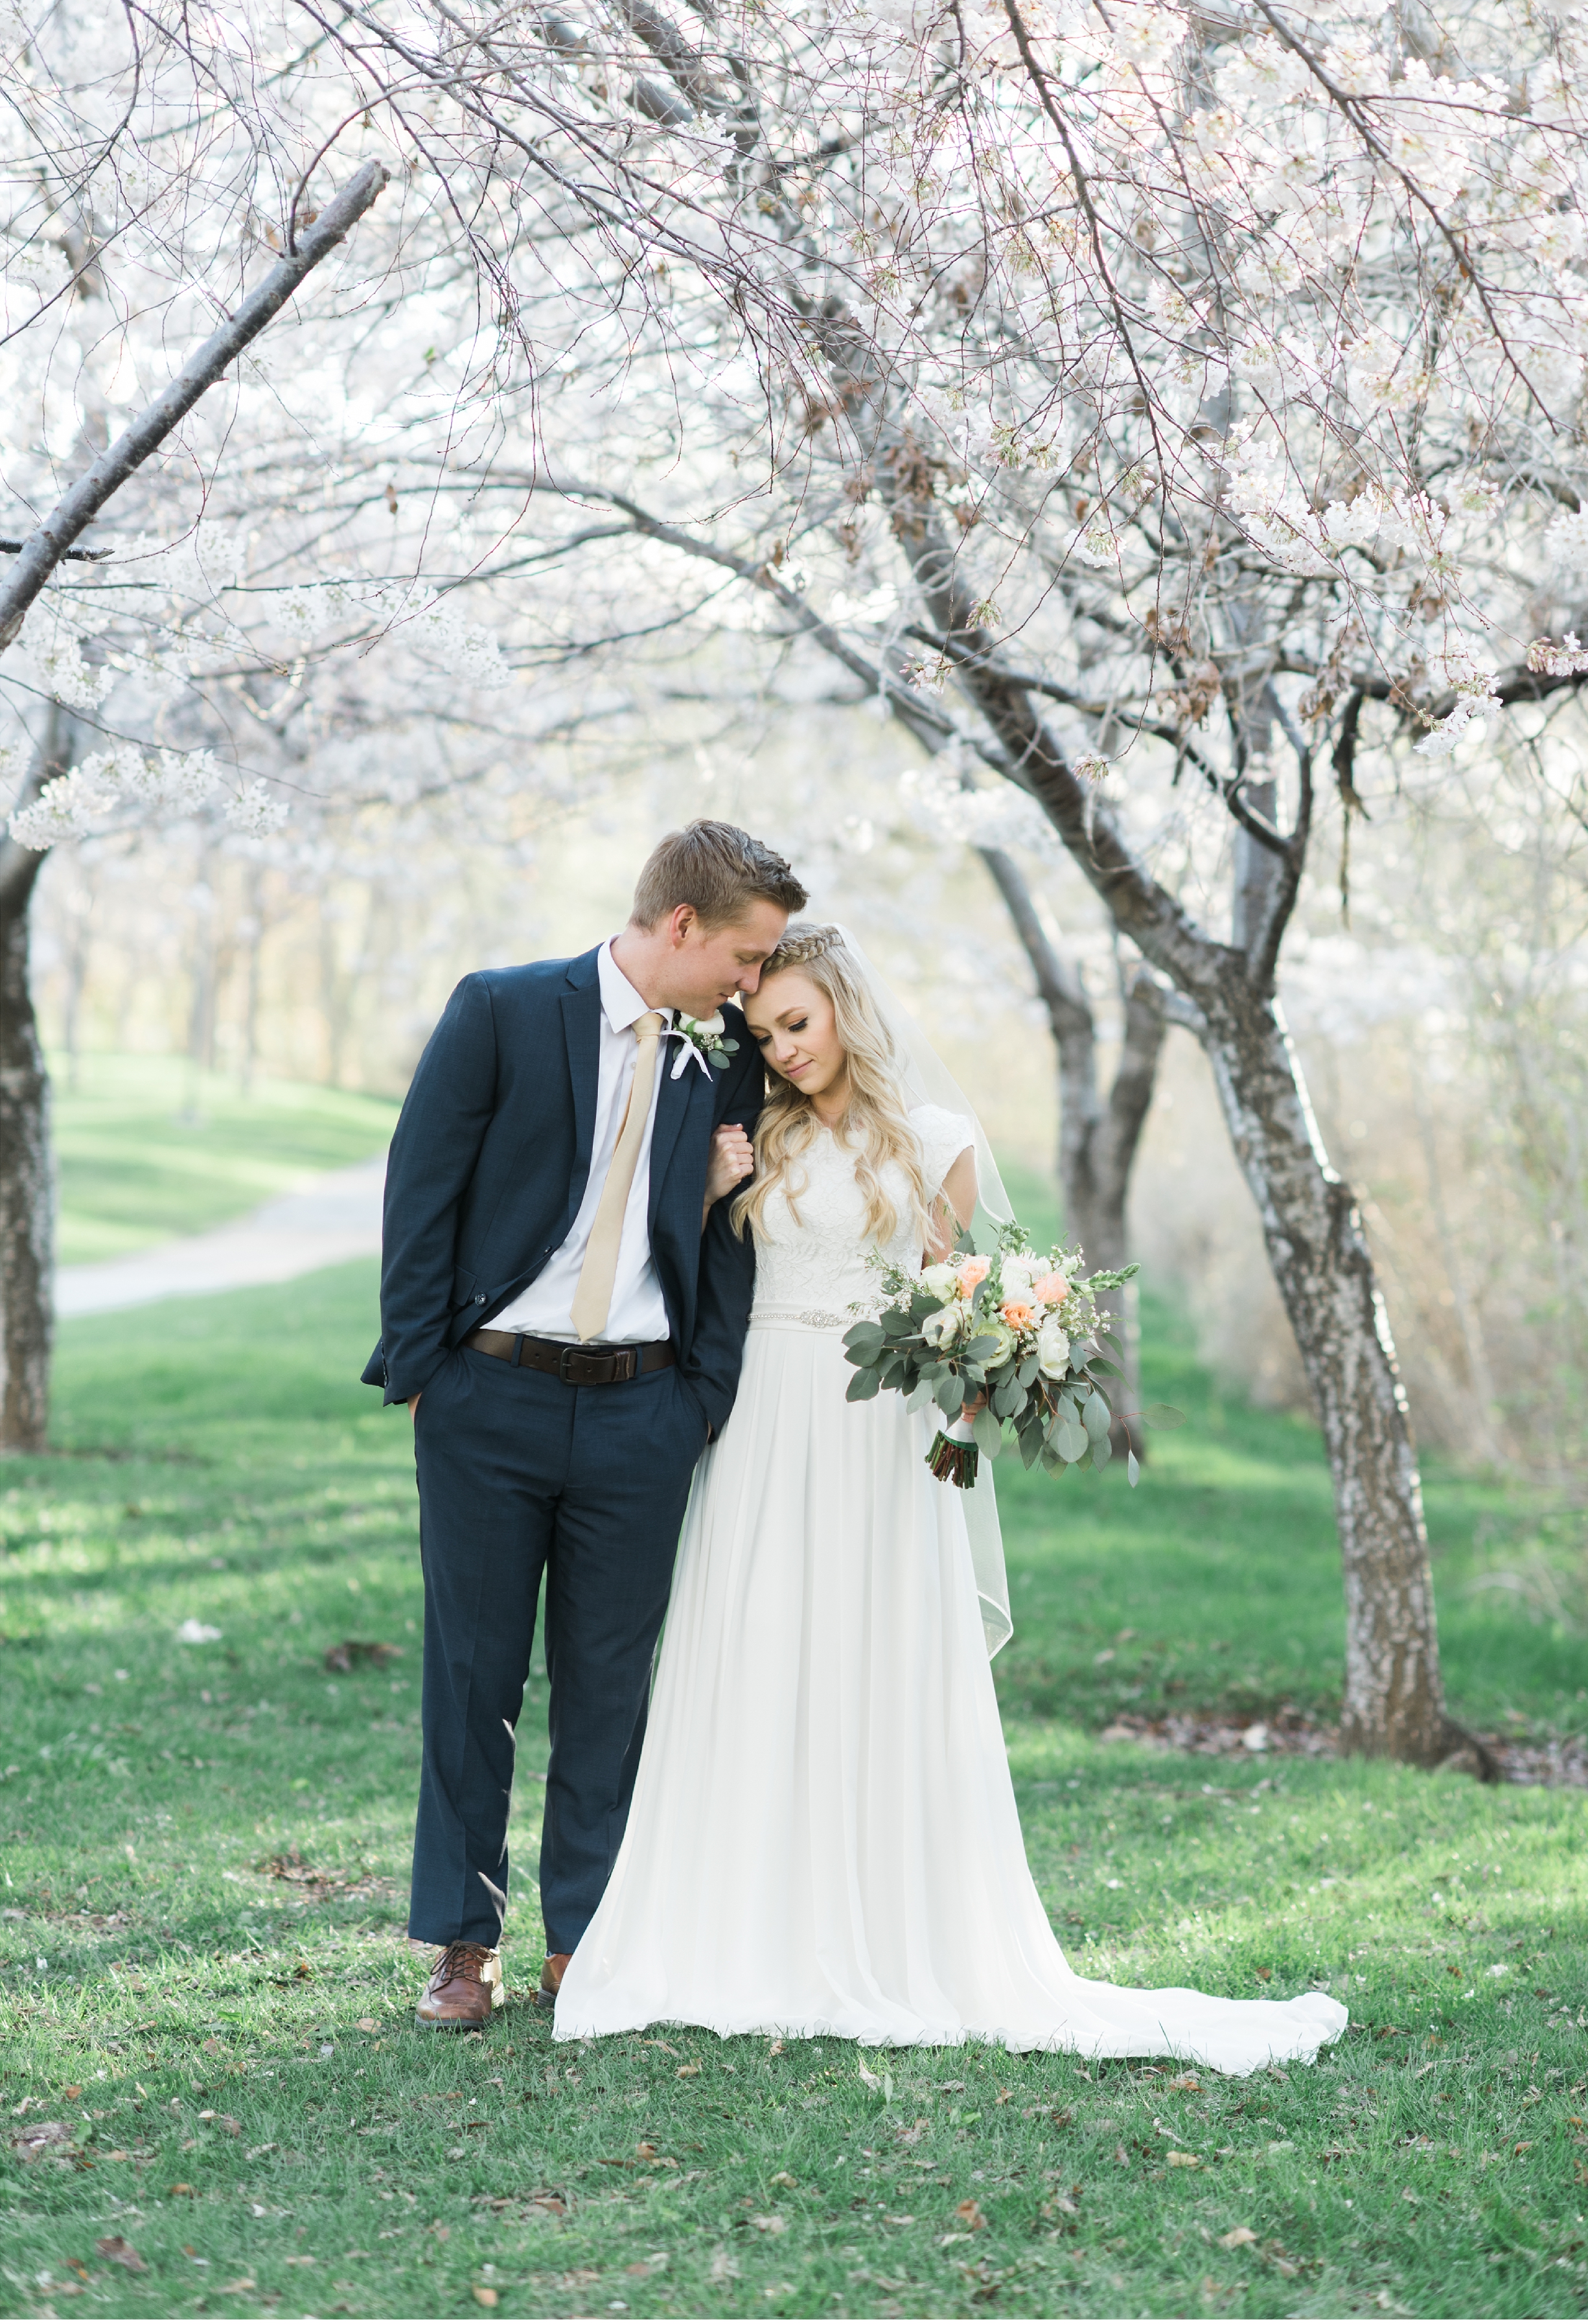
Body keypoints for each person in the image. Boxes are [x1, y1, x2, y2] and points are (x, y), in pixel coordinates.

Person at [551, 924, 1348, 2074]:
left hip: (881, 1427)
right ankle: (743, 1922)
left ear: (846, 1010)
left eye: (799, 1024)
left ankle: (889, 1918)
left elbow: (956, 1298)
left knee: (872, 1653)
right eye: (765, 1031)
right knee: (760, 1642)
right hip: (769, 1420)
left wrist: (985, 1379)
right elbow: (682, 1268)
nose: (781, 1050)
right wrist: (710, 1183)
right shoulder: (751, 1134)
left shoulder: (935, 1143)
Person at [363, 821, 807, 2028]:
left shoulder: (725, 1063)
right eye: (747, 955)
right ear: (681, 927)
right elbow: (422, 1188)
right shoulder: (502, 1010)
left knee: (611, 1687)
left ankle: (588, 1938)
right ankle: (462, 1938)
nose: (753, 984)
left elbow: (728, 1242)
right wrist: (427, 1371)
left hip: (642, 1413)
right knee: (473, 1674)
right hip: (487, 1399)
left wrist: (697, 1400)